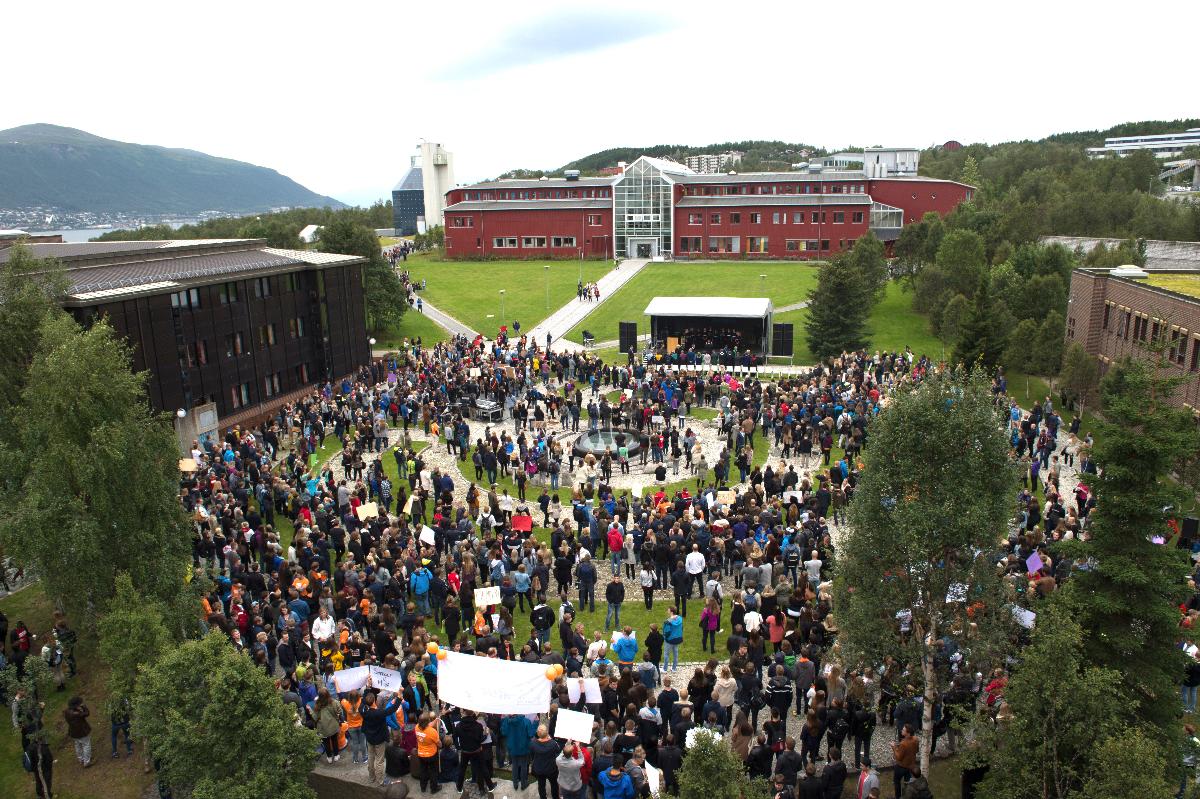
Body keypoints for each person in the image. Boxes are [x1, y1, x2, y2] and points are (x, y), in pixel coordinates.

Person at [363, 688, 403, 785]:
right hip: (379, 740)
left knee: (371, 758)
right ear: (374, 701)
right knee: (379, 760)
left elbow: (362, 701)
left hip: (369, 738)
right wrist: (399, 696)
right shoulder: (379, 713)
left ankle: (372, 777)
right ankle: (380, 780)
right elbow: (392, 709)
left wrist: (367, 688)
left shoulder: (363, 711)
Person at [501, 712, 536, 791]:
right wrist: (535, 723)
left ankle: (515, 784)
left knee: (515, 765)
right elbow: (531, 734)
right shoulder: (526, 721)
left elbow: (503, 732)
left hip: (512, 747)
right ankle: (523, 784)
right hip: (523, 747)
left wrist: (503, 721)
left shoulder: (507, 720)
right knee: (523, 766)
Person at [530, 723, 563, 799]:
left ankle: (543, 797)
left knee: (541, 785)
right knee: (554, 784)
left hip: (539, 768)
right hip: (551, 769)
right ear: (547, 733)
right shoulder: (553, 743)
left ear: (538, 733)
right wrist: (551, 739)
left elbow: (532, 755)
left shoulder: (533, 743)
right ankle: (555, 797)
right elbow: (558, 750)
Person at [414, 711, 442, 794]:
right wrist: (440, 744)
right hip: (431, 755)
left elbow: (427, 725)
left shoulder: (416, 727)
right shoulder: (432, 732)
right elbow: (439, 744)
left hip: (421, 754)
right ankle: (434, 788)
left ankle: (423, 787)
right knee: (433, 772)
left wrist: (436, 720)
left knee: (423, 771)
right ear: (427, 722)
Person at [314, 688, 344, 763]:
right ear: (328, 694)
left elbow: (315, 717)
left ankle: (329, 757)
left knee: (326, 743)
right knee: (334, 740)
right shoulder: (334, 702)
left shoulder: (317, 705)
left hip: (323, 728)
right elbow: (340, 712)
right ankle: (336, 755)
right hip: (333, 726)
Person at [63, 695, 92, 768]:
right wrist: (84, 707)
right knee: (86, 745)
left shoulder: (66, 711)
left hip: (73, 732)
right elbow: (87, 713)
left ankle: (81, 759)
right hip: (82, 731)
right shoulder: (77, 714)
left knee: (77, 745)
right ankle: (87, 762)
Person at [891, 724, 918, 799]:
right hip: (910, 766)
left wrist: (894, 747)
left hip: (901, 767)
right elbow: (916, 750)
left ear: (908, 733)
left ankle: (898, 797)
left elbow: (898, 757)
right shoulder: (916, 739)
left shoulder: (904, 743)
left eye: (903, 730)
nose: (901, 730)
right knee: (907, 783)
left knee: (897, 782)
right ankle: (907, 796)